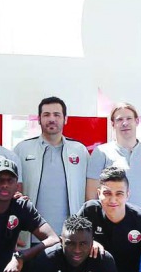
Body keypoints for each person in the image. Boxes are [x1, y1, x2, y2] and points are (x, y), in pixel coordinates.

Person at [13, 96, 90, 240]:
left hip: (71, 238)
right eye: (46, 115)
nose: (51, 119)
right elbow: (13, 194)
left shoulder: (80, 151)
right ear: (38, 119)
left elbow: (89, 196)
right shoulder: (21, 149)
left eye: (57, 115)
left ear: (65, 119)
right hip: (32, 237)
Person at [86, 102, 141, 213]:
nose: (125, 123)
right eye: (119, 120)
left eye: (129, 118)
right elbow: (91, 197)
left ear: (137, 121)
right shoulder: (101, 152)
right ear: (113, 124)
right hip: (111, 225)